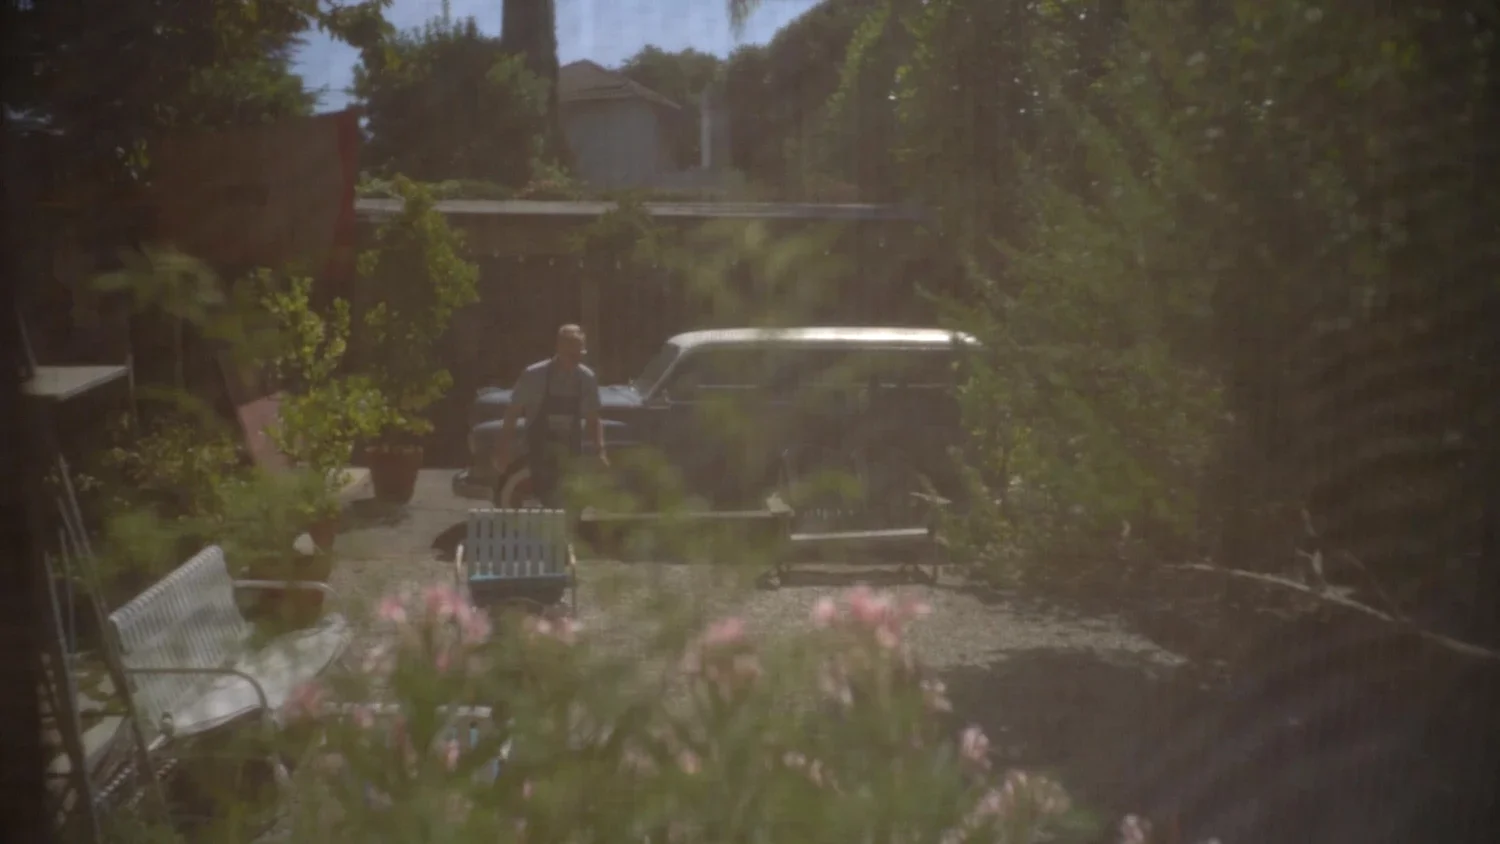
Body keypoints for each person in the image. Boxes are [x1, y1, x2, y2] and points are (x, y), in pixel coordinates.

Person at [492, 323, 608, 508]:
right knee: (538, 501)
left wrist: (600, 451)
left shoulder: (586, 378)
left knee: (570, 505)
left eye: (580, 355)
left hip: (570, 453)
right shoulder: (534, 375)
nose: (576, 360)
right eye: (571, 355)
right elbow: (512, 413)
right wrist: (504, 448)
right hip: (538, 452)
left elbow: (593, 419)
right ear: (559, 349)